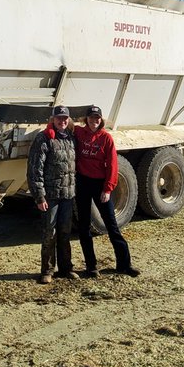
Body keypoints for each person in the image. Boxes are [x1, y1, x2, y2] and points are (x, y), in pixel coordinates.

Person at [74, 105, 140, 277]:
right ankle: (91, 266)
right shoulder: (79, 133)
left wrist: (108, 188)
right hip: (82, 183)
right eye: (91, 118)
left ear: (101, 120)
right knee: (84, 226)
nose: (94, 121)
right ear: (86, 119)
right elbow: (59, 125)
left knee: (111, 225)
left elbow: (112, 165)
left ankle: (124, 264)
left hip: (99, 184)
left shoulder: (106, 138)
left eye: (97, 118)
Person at [26, 105, 77, 283]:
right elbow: (35, 169)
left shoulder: (70, 138)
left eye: (65, 119)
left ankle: (66, 268)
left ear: (68, 120)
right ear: (52, 119)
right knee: (50, 232)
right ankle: (47, 270)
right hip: (51, 195)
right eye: (58, 118)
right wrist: (39, 196)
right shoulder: (44, 138)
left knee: (65, 231)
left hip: (68, 195)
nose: (62, 121)